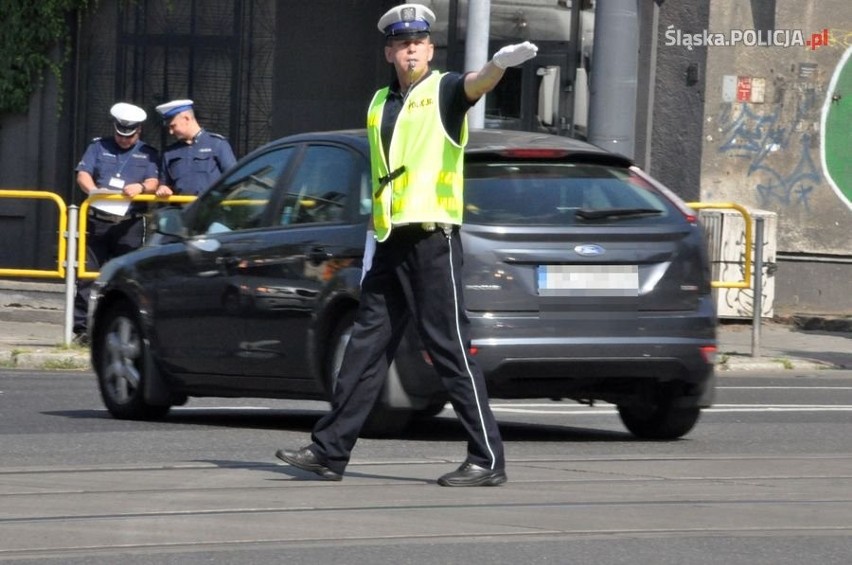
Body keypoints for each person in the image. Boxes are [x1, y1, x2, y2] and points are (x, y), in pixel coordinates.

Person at [275, 3, 538, 487]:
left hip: (432, 241)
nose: (411, 48)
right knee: (365, 349)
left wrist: (499, 65)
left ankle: (488, 460)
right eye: (402, 43)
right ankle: (329, 451)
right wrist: (375, 238)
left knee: (450, 347)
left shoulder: (444, 91)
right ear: (389, 52)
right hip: (390, 241)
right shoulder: (379, 104)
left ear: (430, 49)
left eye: (418, 41)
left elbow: (475, 83)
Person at [73, 102, 160, 344]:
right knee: (88, 276)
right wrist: (93, 191)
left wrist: (141, 187)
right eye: (120, 134)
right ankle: (83, 329)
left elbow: (154, 181)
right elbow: (83, 174)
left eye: (129, 135)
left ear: (138, 131)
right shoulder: (98, 146)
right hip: (98, 220)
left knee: (128, 278)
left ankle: (129, 330)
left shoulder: (148, 152)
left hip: (129, 224)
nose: (123, 140)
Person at [154, 99, 237, 197]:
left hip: (210, 208)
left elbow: (234, 178)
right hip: (182, 210)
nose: (171, 132)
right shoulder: (169, 153)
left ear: (186, 118)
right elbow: (165, 183)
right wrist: (163, 188)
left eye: (173, 126)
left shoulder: (217, 144)